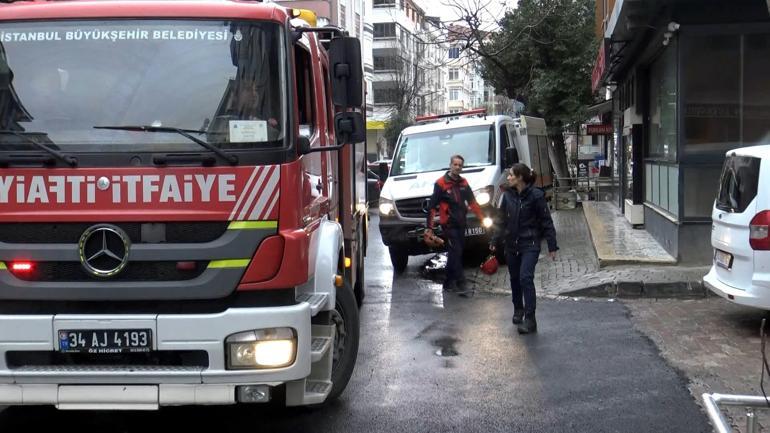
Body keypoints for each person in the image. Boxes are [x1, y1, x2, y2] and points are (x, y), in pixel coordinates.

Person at [490, 163, 558, 334]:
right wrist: (494, 239)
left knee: (525, 278)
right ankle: (518, 309)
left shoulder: (536, 196)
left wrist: (552, 245)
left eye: (511, 175)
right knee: (514, 279)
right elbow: (500, 221)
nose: (508, 178)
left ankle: (530, 319)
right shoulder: (507, 196)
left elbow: (546, 221)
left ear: (520, 177)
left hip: (530, 244)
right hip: (512, 244)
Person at [425, 154, 484, 295]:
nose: (458, 167)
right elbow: (432, 207)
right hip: (449, 225)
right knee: (456, 252)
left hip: (461, 223)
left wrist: (482, 218)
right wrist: (429, 227)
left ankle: (447, 282)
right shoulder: (440, 183)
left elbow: (473, 203)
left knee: (455, 253)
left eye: (460, 165)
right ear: (450, 165)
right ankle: (461, 282)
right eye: (455, 164)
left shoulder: (464, 183)